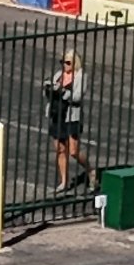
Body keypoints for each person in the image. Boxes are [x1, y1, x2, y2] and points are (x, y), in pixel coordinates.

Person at [47, 50, 90, 190]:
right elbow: (49, 93)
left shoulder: (81, 77)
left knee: (73, 150)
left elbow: (77, 97)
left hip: (72, 116)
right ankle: (64, 181)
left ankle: (90, 170)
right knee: (60, 149)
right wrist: (48, 89)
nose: (64, 65)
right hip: (57, 115)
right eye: (63, 62)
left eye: (67, 63)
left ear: (75, 63)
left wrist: (63, 93)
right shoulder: (59, 75)